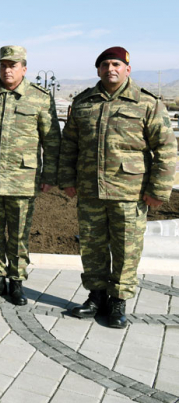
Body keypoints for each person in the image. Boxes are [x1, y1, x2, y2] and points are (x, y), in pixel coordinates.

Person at [59, 47, 177, 328]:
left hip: (130, 192)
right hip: (90, 191)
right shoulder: (84, 102)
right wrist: (67, 179)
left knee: (126, 250)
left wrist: (158, 190)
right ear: (97, 70)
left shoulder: (147, 103)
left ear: (127, 69)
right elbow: (69, 144)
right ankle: (96, 296)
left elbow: (166, 148)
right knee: (92, 247)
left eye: (116, 64)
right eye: (104, 65)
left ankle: (117, 302)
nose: (110, 69)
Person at [0, 46, 61, 305]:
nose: (7, 70)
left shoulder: (39, 97)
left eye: (13, 65)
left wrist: (49, 175)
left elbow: (52, 140)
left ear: (24, 68)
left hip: (23, 179)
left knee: (20, 233)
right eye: (3, 65)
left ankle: (17, 281)